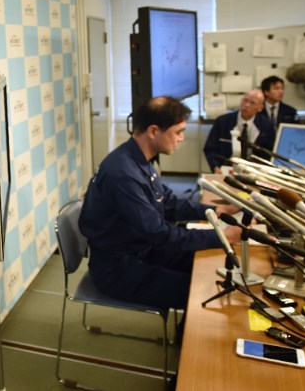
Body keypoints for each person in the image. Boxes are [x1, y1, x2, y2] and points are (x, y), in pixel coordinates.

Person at [78, 96, 242, 310]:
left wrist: (215, 210)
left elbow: (168, 203)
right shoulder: (123, 174)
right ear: (154, 131)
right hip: (118, 269)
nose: (181, 138)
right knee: (205, 290)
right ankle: (186, 340)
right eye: (178, 132)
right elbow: (160, 234)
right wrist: (222, 236)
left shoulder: (137, 158)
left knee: (207, 265)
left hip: (141, 250)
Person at [203, 89, 275, 174]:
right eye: (245, 100)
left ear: (260, 108)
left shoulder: (266, 126)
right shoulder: (222, 121)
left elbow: (270, 152)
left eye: (252, 103)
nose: (246, 105)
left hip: (255, 171)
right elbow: (210, 149)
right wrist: (215, 166)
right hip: (227, 168)